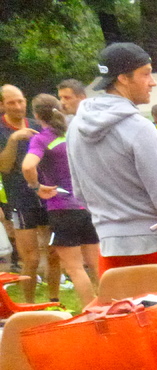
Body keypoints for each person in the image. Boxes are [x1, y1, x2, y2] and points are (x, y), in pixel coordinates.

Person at [67, 42, 157, 289]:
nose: (153, 82)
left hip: (110, 250)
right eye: (146, 73)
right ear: (122, 78)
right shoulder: (140, 128)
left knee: (123, 315)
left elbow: (79, 192)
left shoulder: (75, 128)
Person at [22, 94, 97, 305]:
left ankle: (90, 312)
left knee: (75, 268)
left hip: (62, 207)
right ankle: (111, 308)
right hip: (86, 205)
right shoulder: (73, 134)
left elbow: (28, 166)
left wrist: (35, 186)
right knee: (97, 265)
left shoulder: (41, 138)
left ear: (36, 116)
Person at [0, 84, 61, 303]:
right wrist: (14, 140)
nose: (18, 106)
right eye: (11, 103)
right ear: (2, 105)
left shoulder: (37, 125)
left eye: (20, 101)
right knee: (31, 259)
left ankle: (54, 301)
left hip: (48, 195)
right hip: (20, 199)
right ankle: (29, 305)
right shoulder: (1, 130)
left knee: (54, 253)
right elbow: (4, 167)